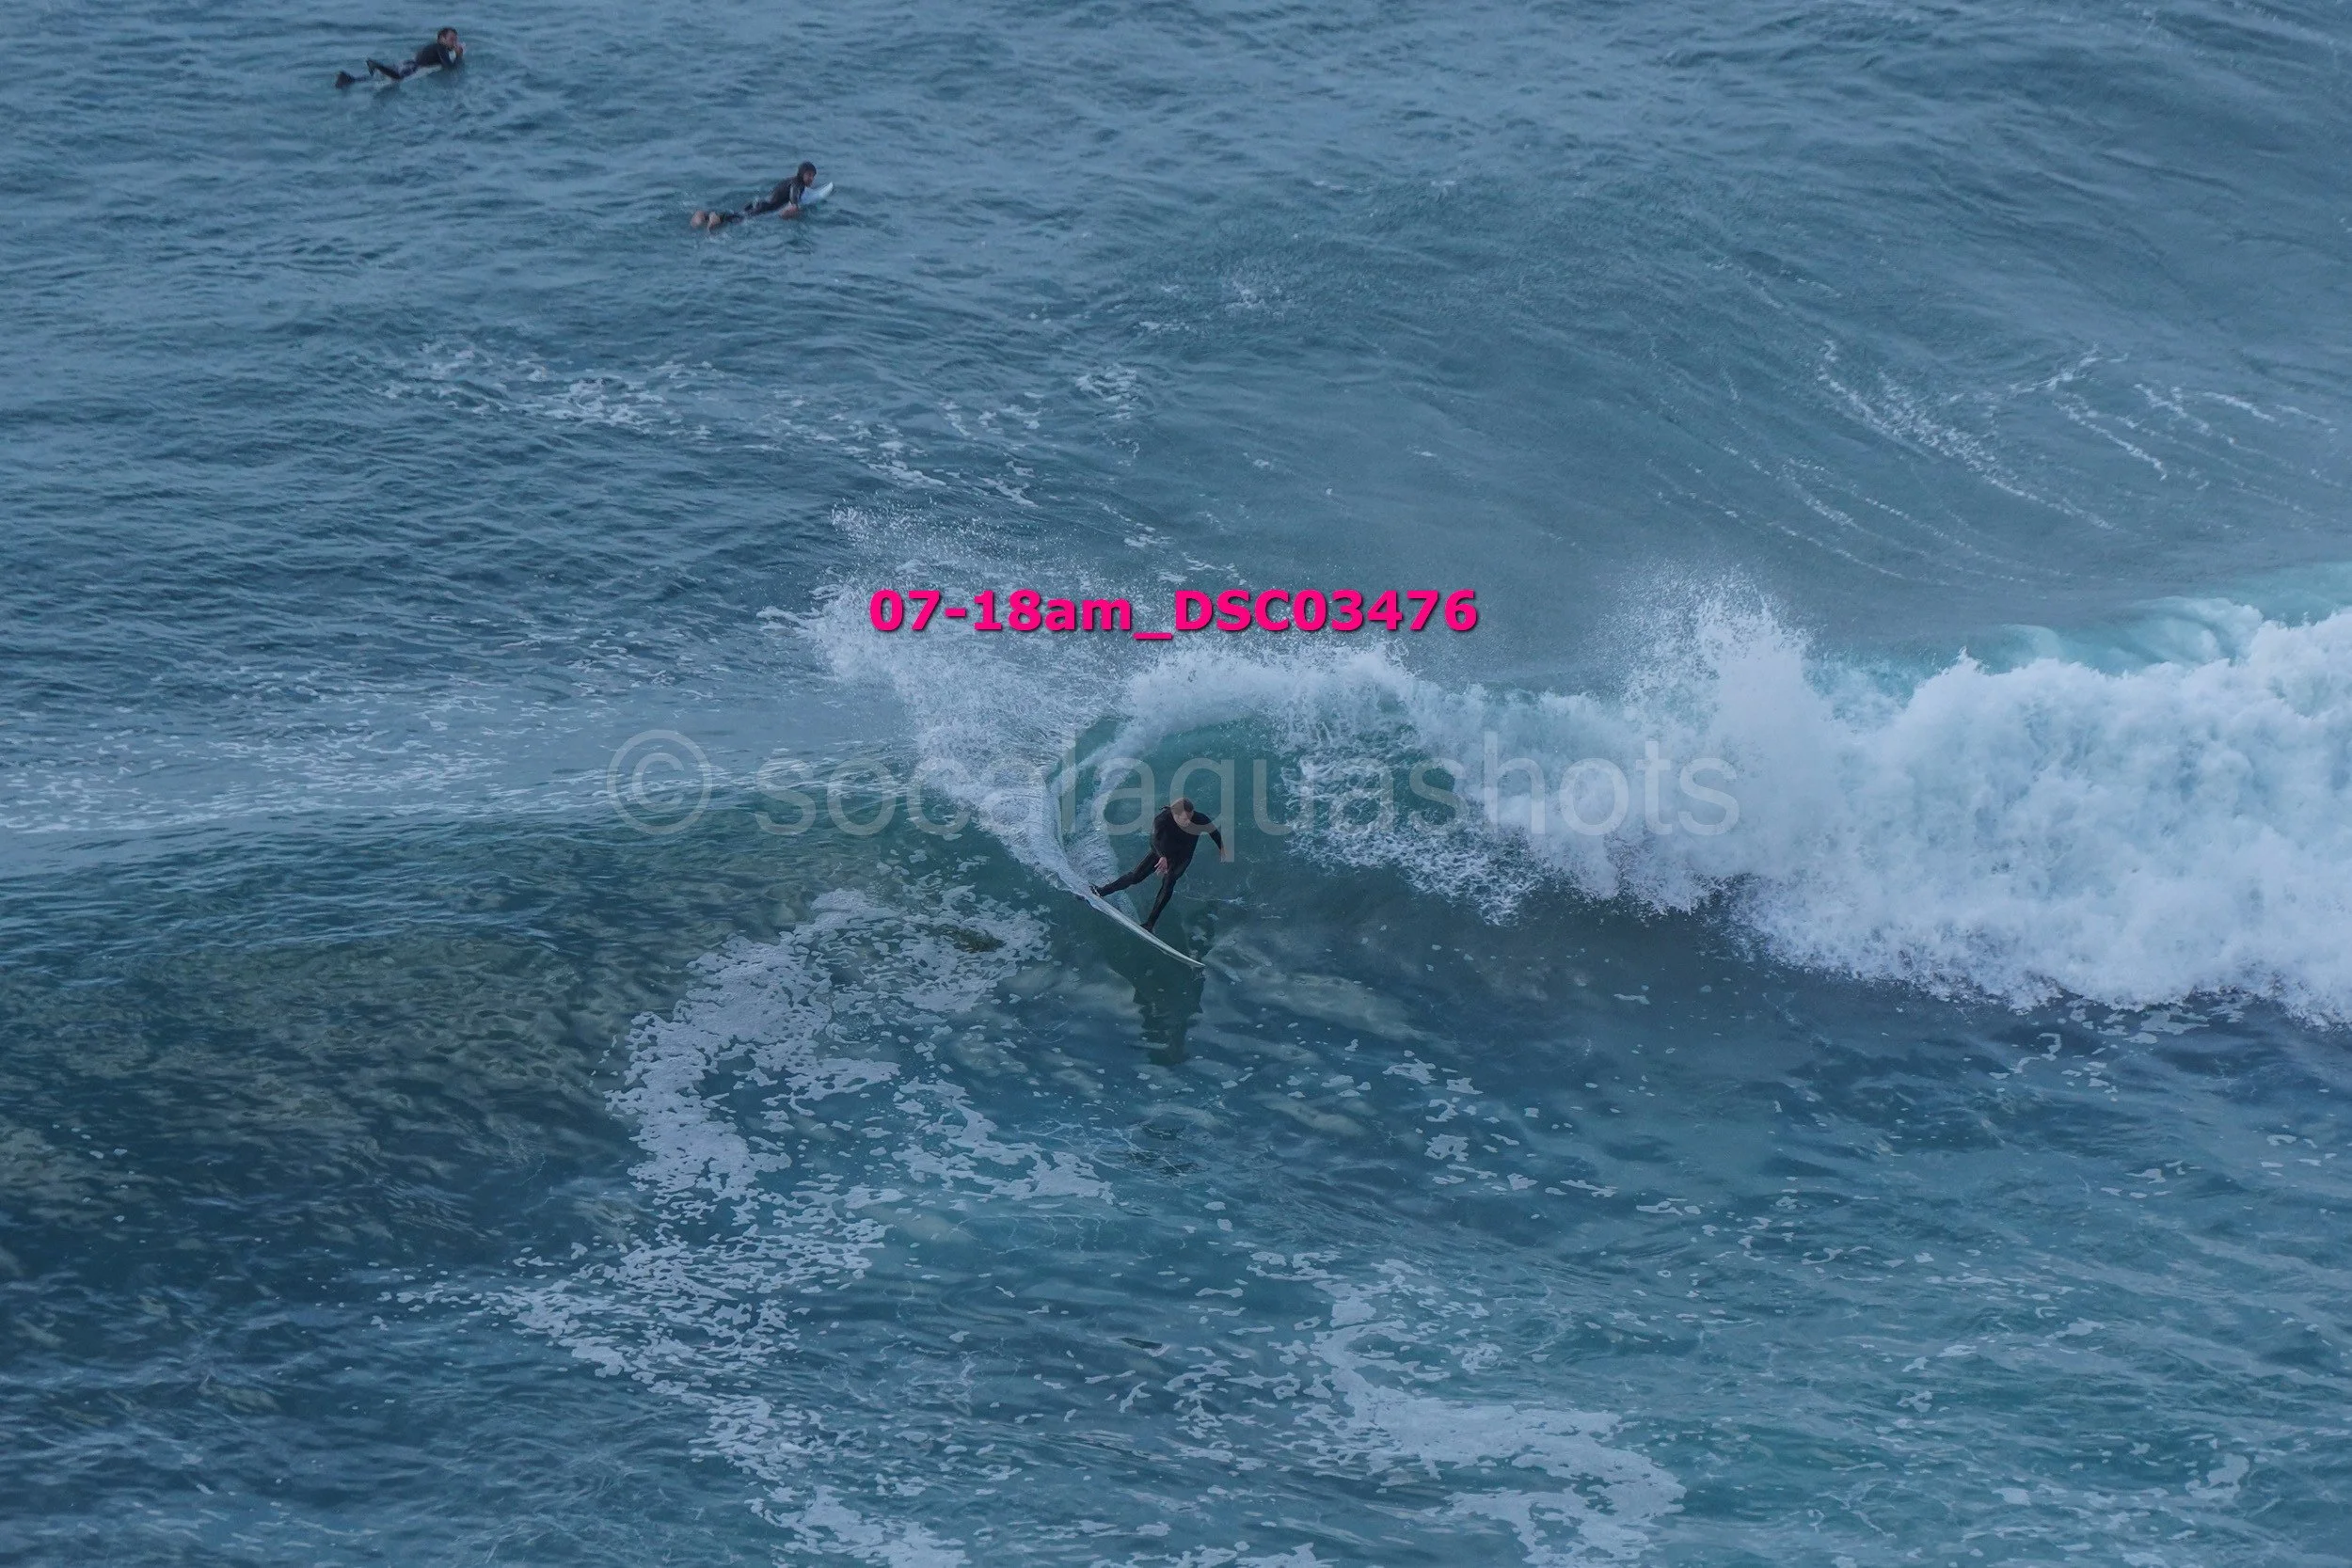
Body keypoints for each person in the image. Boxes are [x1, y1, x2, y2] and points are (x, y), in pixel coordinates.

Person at [1094, 798, 1225, 932]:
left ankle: (1150, 924)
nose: (1189, 822)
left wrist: (1221, 847)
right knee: (1135, 877)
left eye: (1190, 817)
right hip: (1161, 851)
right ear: (1175, 814)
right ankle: (1102, 891)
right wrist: (1162, 856)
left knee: (1169, 882)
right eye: (1185, 819)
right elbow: (1153, 840)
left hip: (1182, 857)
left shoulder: (1198, 818)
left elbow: (1212, 831)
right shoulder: (1162, 819)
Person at [692, 164, 820, 230]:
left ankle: (705, 216)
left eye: (813, 176)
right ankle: (714, 217)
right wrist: (797, 214)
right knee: (738, 219)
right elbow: (792, 206)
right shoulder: (797, 185)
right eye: (809, 175)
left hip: (759, 203)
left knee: (739, 215)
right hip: (764, 208)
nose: (811, 178)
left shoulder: (790, 180)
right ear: (801, 174)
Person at [336, 28, 463, 87]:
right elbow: (449, 67)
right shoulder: (441, 48)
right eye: (451, 39)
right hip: (413, 67)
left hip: (407, 63)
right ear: (441, 38)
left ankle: (349, 79)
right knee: (398, 78)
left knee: (380, 77)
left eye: (456, 39)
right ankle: (376, 65)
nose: (454, 42)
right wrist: (458, 56)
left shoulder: (432, 46)